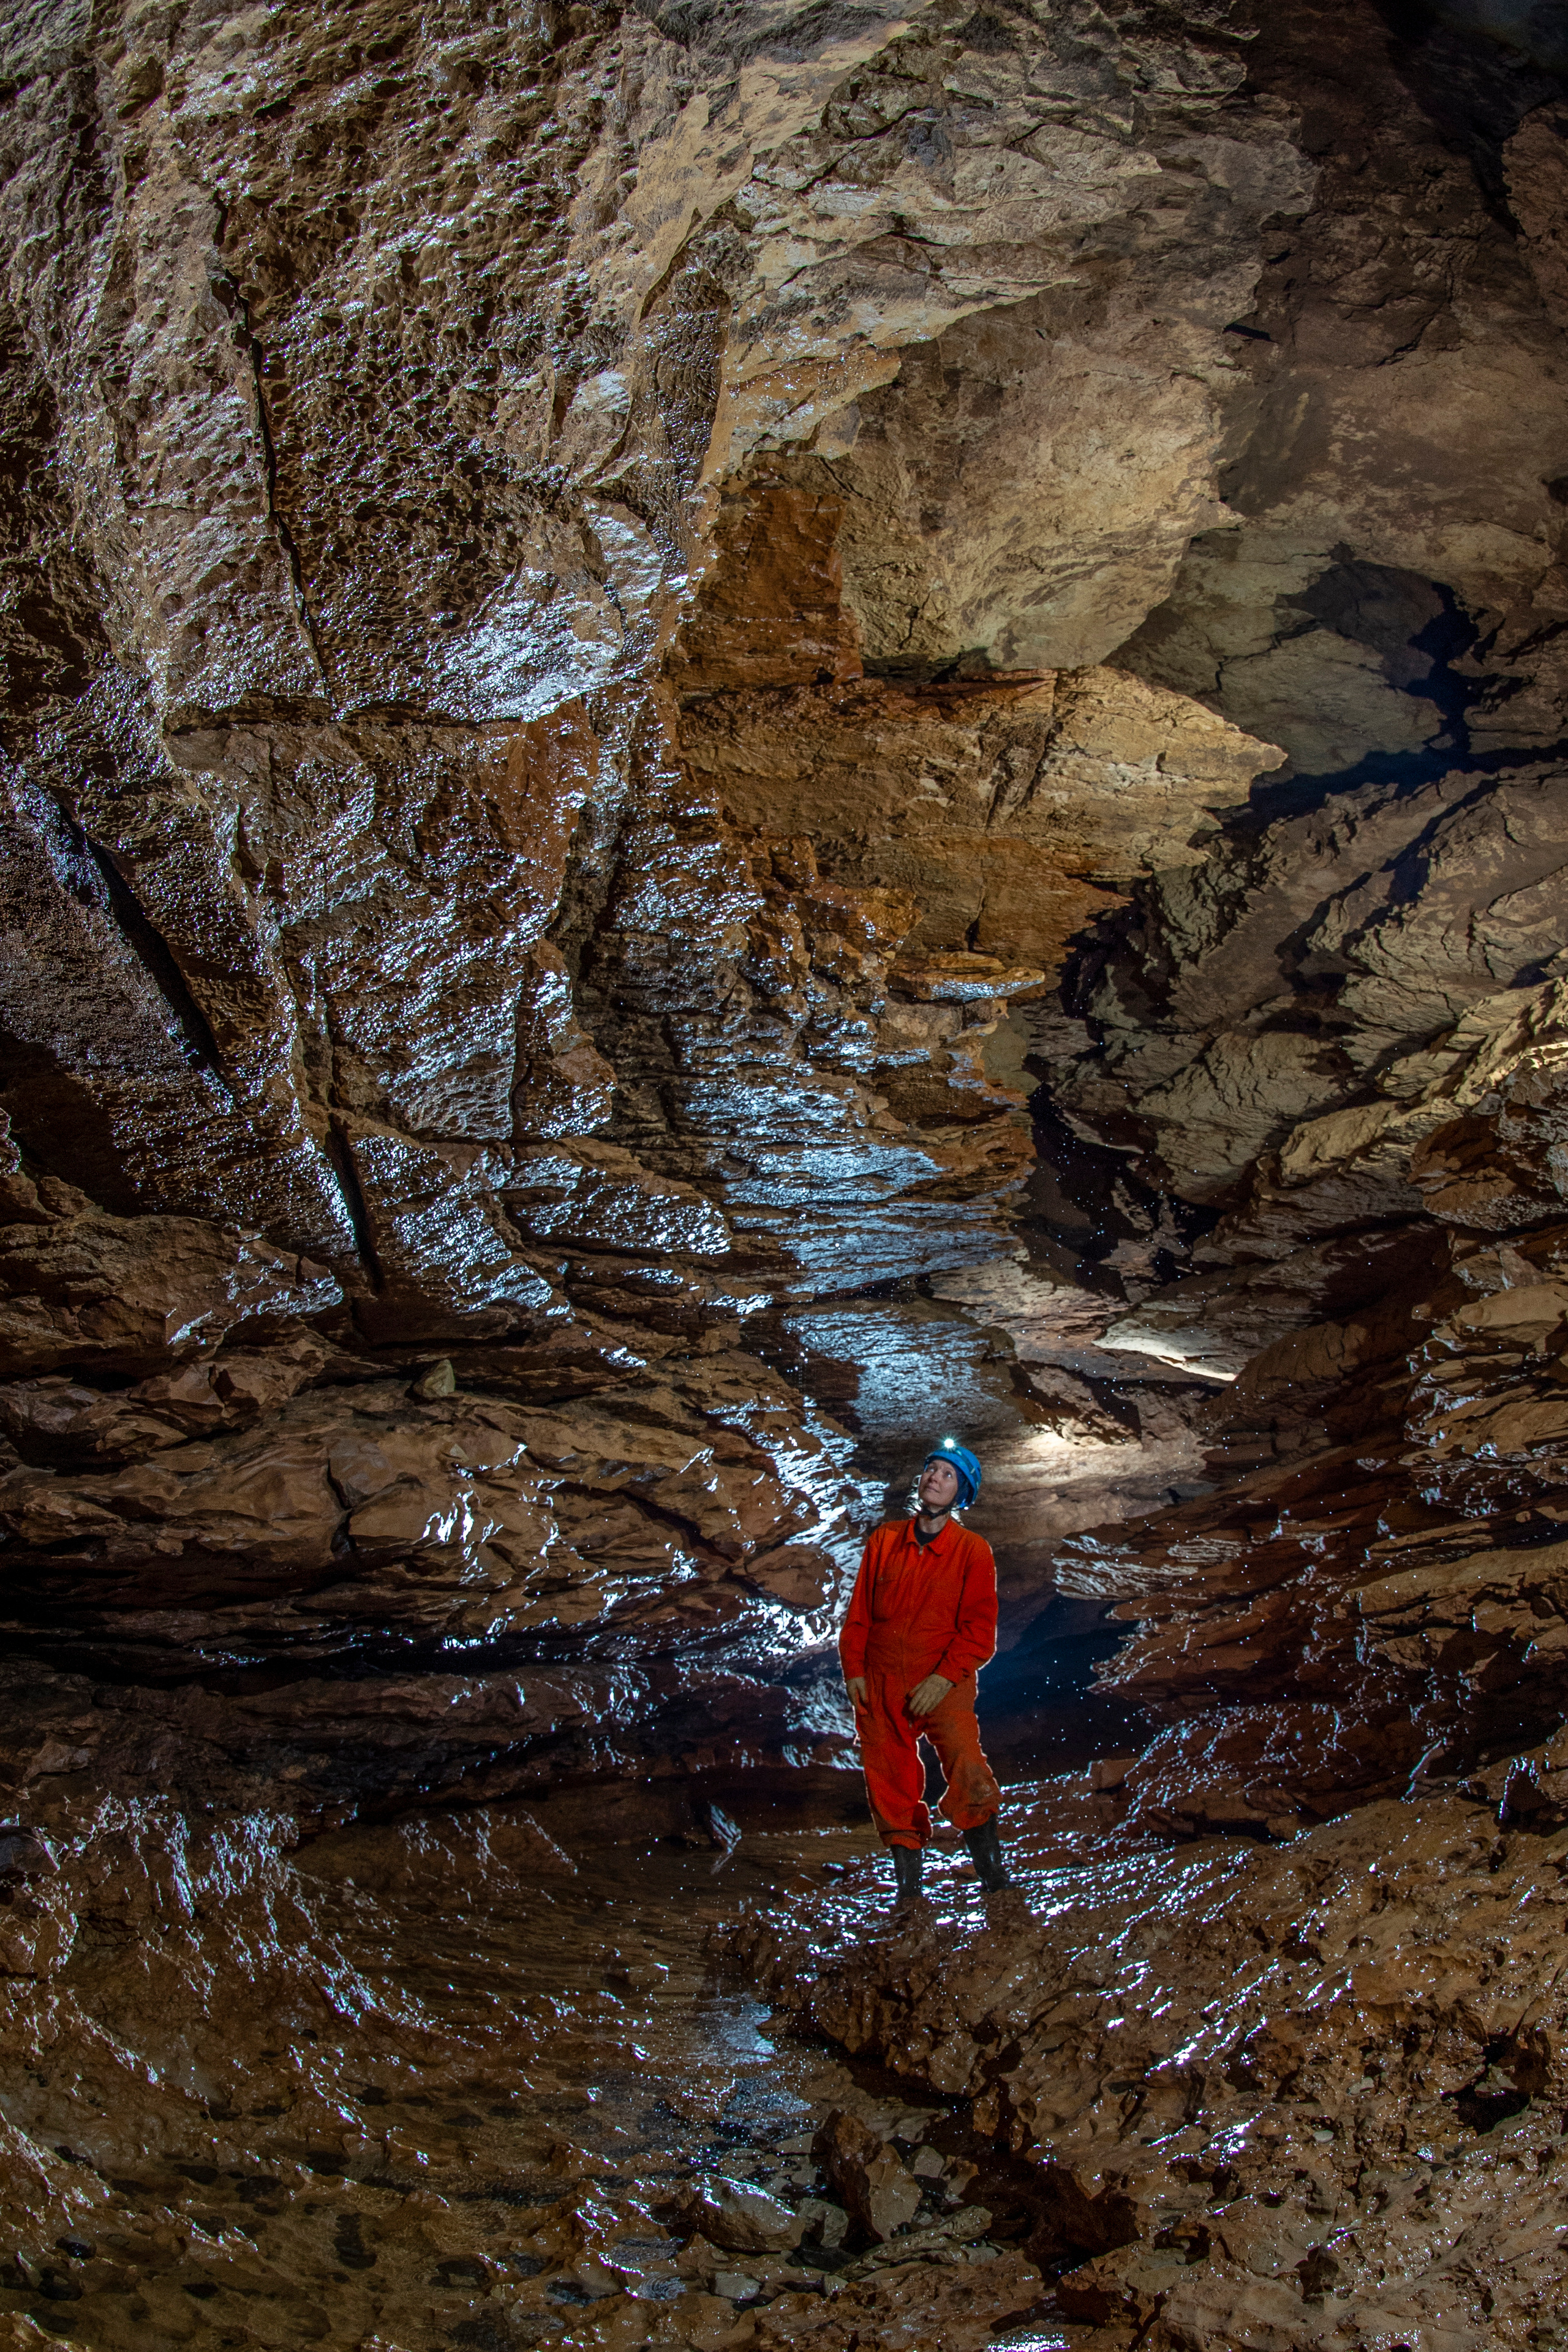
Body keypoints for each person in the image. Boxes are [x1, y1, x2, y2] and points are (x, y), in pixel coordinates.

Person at [839, 1438, 1011, 1904]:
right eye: (932, 1469)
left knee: (966, 1763)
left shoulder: (972, 1551)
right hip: (880, 1681)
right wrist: (854, 1668)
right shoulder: (885, 1540)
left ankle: (995, 1883)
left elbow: (979, 1631)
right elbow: (859, 1615)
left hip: (944, 1679)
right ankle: (910, 1895)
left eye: (948, 1474)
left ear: (962, 1494)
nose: (935, 1478)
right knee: (889, 1781)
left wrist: (943, 1678)